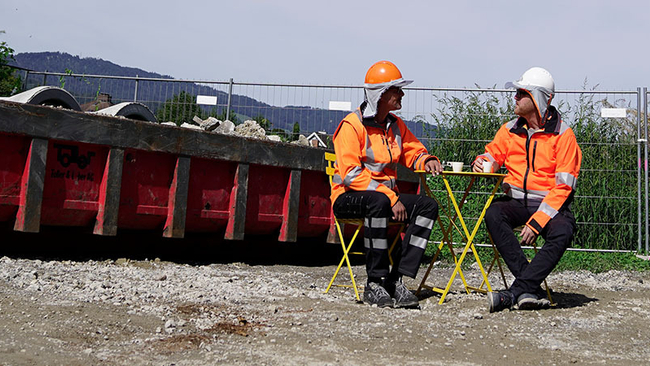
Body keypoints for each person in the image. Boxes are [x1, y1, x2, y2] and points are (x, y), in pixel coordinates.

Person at [330, 60, 443, 308]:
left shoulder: (395, 125)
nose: (402, 94)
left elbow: (413, 151)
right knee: (379, 202)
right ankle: (375, 282)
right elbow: (350, 175)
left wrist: (427, 159)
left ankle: (396, 280)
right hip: (348, 198)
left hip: (382, 199)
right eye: (396, 90)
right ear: (380, 94)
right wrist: (390, 197)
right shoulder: (352, 126)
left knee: (427, 207)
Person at [472, 67, 582, 312]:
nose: (515, 97)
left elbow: (564, 187)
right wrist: (481, 160)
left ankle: (514, 292)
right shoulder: (509, 129)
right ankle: (529, 288)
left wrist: (538, 222)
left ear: (538, 99)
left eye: (521, 93)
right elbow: (492, 154)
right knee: (493, 214)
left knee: (564, 230)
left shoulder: (564, 136)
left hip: (549, 205)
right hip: (515, 202)